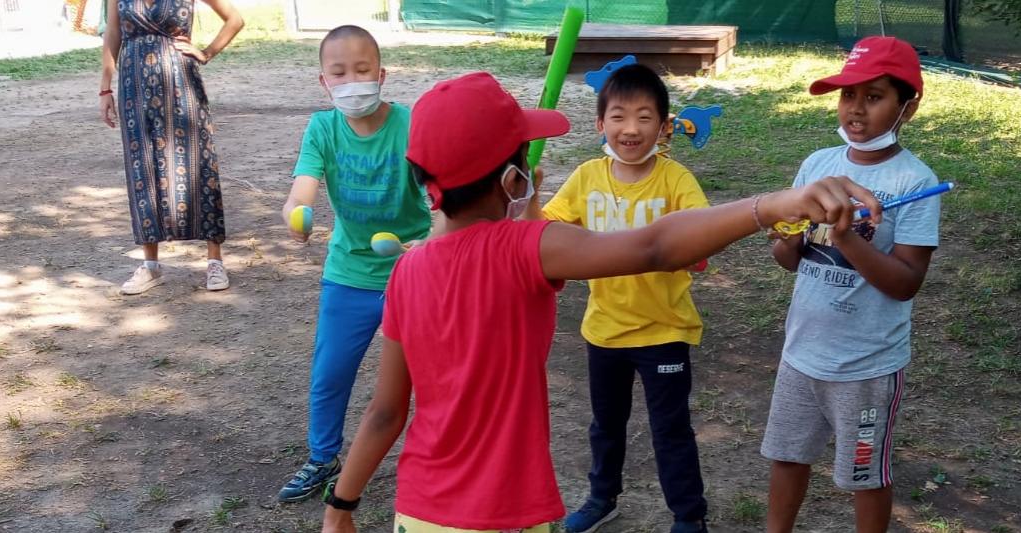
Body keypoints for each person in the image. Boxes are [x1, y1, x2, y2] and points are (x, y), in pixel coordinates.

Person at [317, 71, 882, 533]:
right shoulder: (527, 247)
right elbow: (656, 244)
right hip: (502, 515)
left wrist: (340, 508)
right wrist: (779, 201)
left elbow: (386, 412)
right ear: (512, 176)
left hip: (418, 513)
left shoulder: (407, 270)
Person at [762, 36, 942, 533]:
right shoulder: (817, 166)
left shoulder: (914, 182)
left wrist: (849, 238)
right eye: (847, 96)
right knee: (786, 455)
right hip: (801, 353)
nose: (855, 111)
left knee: (864, 474)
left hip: (867, 365)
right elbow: (789, 259)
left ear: (909, 106)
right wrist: (786, 238)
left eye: (874, 96)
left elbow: (905, 283)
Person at [531, 64, 711, 533]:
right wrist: (528, 198)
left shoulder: (675, 180)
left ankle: (689, 518)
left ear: (664, 125)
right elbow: (543, 230)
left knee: (670, 429)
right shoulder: (588, 176)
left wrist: (695, 251)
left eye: (645, 117)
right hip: (604, 329)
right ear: (600, 124)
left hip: (664, 330)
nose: (631, 128)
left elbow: (703, 233)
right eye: (618, 116)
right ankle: (602, 497)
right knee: (606, 424)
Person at [274, 25, 433, 503]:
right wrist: (296, 217)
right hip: (349, 273)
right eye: (339, 73)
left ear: (381, 74)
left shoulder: (410, 124)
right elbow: (302, 189)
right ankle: (323, 458)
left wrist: (430, 248)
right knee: (330, 373)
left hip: (416, 270)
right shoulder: (322, 128)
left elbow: (437, 195)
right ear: (324, 81)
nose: (351, 81)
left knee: (430, 376)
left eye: (362, 70)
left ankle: (429, 462)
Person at [100, 0, 243, 294]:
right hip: (134, 86)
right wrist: (105, 88)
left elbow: (234, 19)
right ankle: (150, 266)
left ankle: (214, 261)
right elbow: (113, 34)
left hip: (181, 83)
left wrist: (206, 53)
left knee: (198, 163)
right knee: (143, 168)